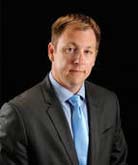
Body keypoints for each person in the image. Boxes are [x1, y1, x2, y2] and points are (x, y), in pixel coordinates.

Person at [0, 13, 127, 165]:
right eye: (71, 49)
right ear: (51, 52)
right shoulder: (18, 113)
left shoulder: (109, 102)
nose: (79, 60)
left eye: (87, 51)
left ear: (95, 57)